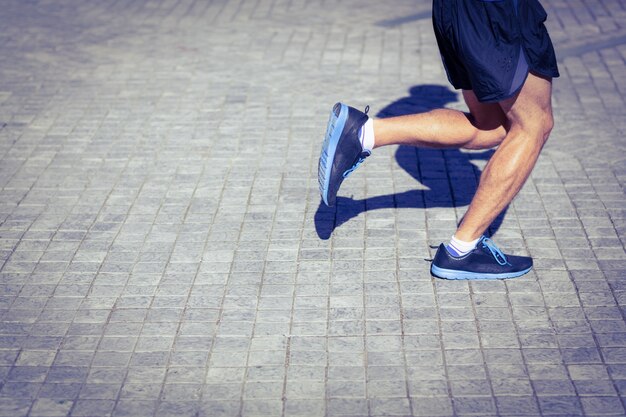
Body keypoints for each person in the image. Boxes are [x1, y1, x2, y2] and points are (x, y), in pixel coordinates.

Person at [318, 0, 559, 280]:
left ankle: (364, 134)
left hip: (455, 10)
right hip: (497, 11)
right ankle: (462, 251)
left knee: (492, 126)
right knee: (534, 124)